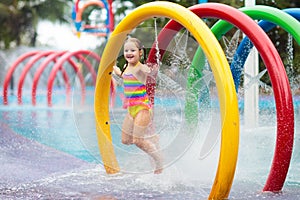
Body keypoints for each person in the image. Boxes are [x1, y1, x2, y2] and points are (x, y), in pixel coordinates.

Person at [113, 37, 163, 174]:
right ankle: (152, 139)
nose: (129, 53)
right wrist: (116, 70)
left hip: (142, 108)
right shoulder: (126, 67)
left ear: (140, 53)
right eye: (126, 50)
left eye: (133, 50)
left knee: (137, 140)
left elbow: (148, 71)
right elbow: (124, 76)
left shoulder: (141, 68)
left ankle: (159, 160)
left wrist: (152, 68)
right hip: (131, 109)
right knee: (125, 140)